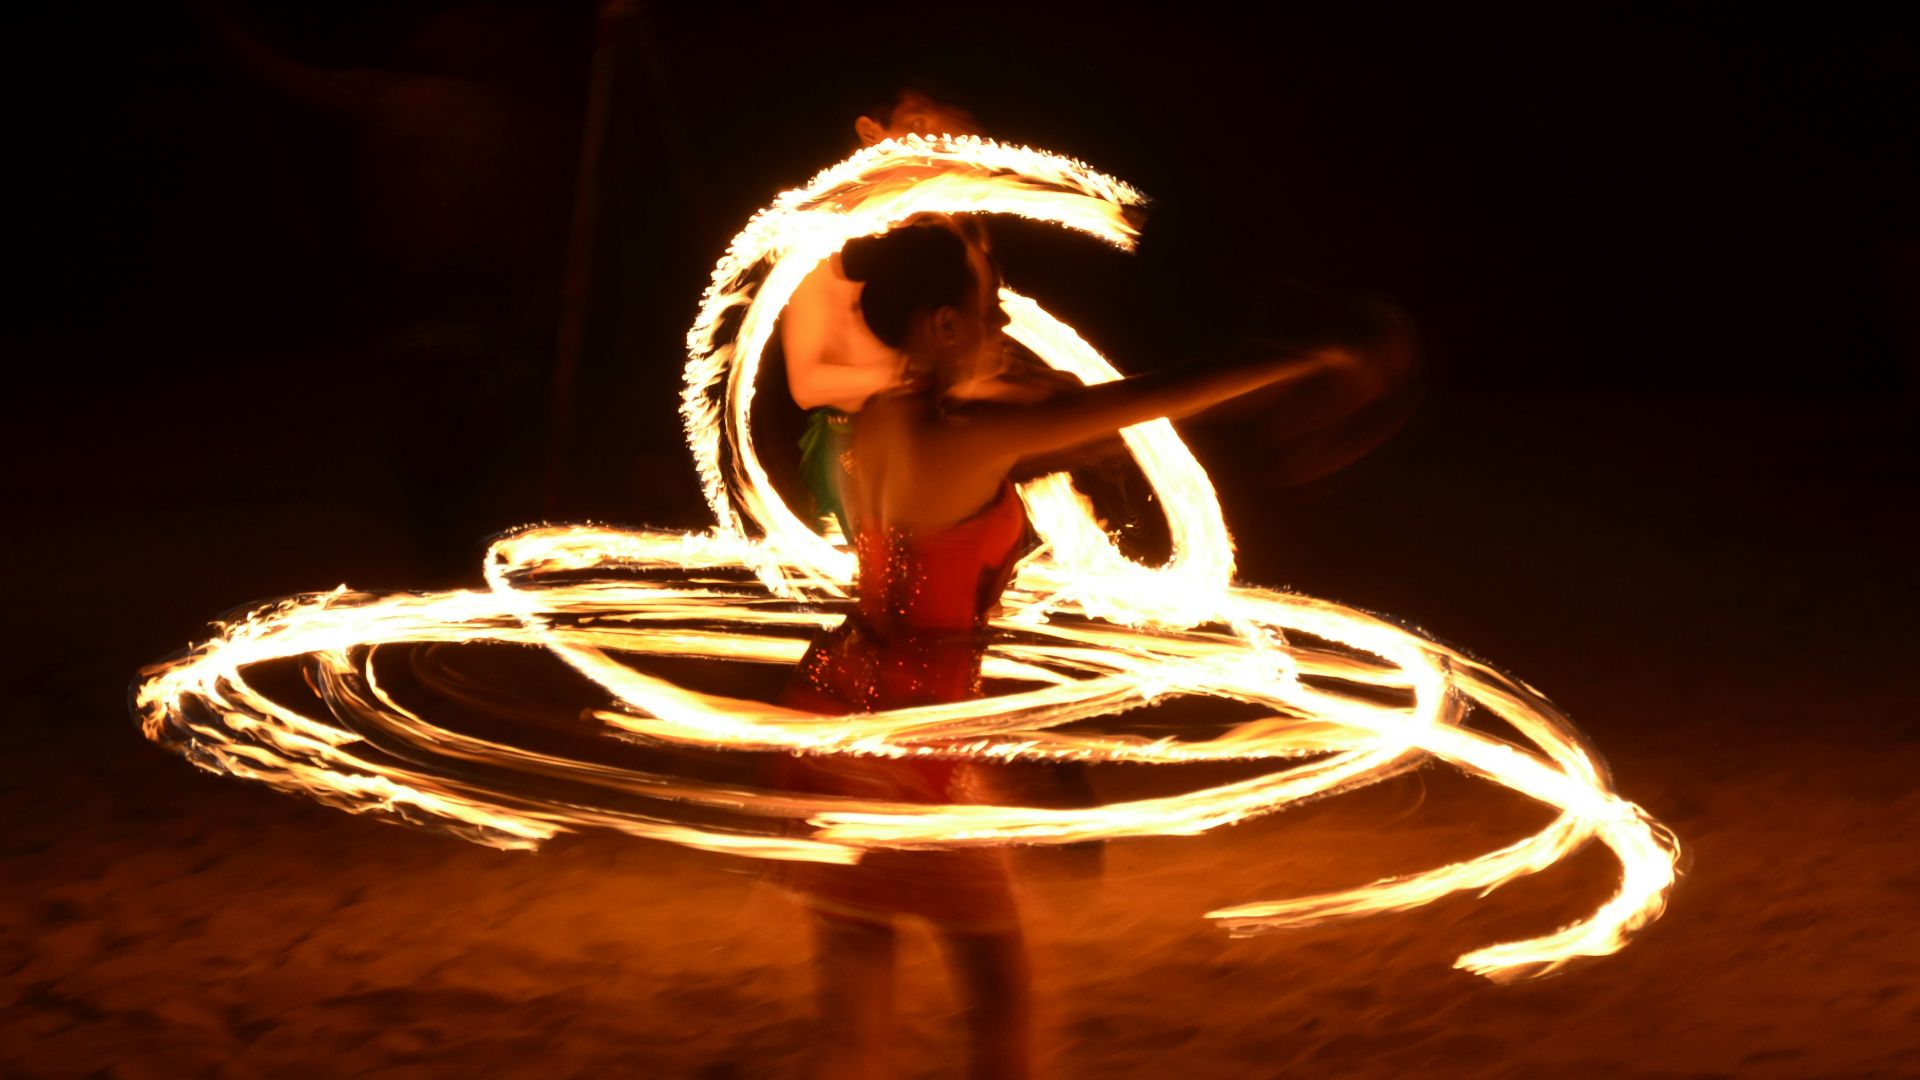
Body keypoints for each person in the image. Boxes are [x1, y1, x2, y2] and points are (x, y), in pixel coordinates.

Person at [776, 215, 1400, 1079]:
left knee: (858, 978)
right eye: (988, 310)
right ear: (941, 325)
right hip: (914, 738)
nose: (1004, 327)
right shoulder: (966, 436)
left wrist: (954, 218)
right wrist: (1307, 362)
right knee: (998, 989)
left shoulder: (881, 417)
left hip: (843, 704)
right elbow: (1150, 398)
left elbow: (1035, 411)